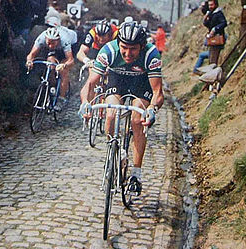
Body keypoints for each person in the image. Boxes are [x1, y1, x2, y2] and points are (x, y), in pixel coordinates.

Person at [79, 21, 164, 196]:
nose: (127, 53)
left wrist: (152, 110)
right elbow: (90, 83)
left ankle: (136, 174)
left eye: (133, 49)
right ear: (119, 44)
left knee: (136, 120)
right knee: (111, 114)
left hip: (141, 82)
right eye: (124, 47)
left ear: (141, 46)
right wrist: (85, 103)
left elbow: (157, 92)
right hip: (118, 79)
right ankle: (113, 150)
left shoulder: (151, 54)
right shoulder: (109, 51)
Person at [26, 27, 74, 110]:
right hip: (56, 49)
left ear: (58, 40)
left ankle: (61, 98)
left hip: (70, 45)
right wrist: (29, 61)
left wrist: (64, 65)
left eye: (53, 43)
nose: (50, 45)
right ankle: (52, 84)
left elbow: (71, 60)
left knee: (63, 71)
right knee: (50, 62)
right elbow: (31, 54)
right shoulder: (41, 38)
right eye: (48, 43)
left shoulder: (64, 40)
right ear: (45, 39)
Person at [203, 0, 227, 65]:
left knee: (213, 59)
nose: (210, 7)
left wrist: (215, 29)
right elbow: (208, 25)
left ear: (216, 5)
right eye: (209, 5)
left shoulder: (219, 13)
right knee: (211, 58)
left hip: (217, 38)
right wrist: (205, 19)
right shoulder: (211, 14)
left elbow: (224, 23)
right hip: (212, 39)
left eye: (211, 5)